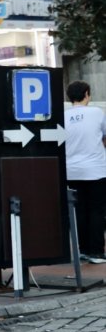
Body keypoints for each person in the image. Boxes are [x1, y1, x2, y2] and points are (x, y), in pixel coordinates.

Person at [64, 80, 106, 264]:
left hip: (72, 171)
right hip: (96, 170)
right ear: (87, 94)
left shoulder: (63, 117)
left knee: (79, 211)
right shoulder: (96, 113)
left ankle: (83, 250)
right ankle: (96, 253)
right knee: (97, 210)